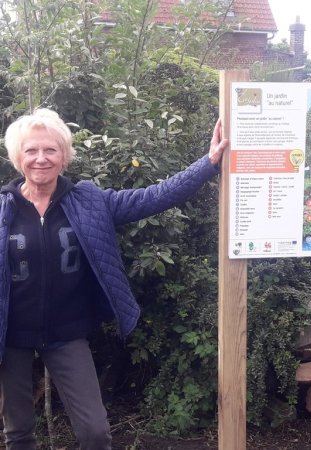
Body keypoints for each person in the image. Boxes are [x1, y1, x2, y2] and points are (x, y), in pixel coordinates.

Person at [0, 108, 228, 450]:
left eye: (50, 150)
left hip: (66, 335)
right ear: (18, 157)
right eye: (31, 150)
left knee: (95, 433)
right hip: (11, 335)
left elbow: (154, 196)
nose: (41, 159)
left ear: (64, 156)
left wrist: (207, 164)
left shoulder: (88, 202)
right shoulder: (4, 208)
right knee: (18, 434)